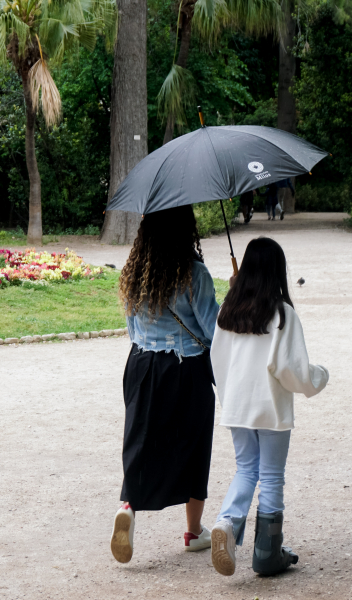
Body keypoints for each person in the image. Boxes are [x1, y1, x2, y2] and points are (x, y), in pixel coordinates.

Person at [208, 237, 329, 577]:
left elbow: (218, 360)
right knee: (272, 475)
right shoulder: (282, 314)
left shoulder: (227, 310)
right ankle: (266, 553)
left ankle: (227, 522)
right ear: (278, 271)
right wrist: (319, 376)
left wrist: (229, 399)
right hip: (270, 406)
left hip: (237, 404)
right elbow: (292, 369)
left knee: (246, 469)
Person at [109, 205, 220, 564]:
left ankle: (128, 507)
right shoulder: (194, 273)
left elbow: (132, 327)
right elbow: (212, 331)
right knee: (194, 446)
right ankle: (193, 531)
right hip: (186, 368)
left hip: (142, 364)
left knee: (140, 442)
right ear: (186, 228)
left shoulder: (135, 270)